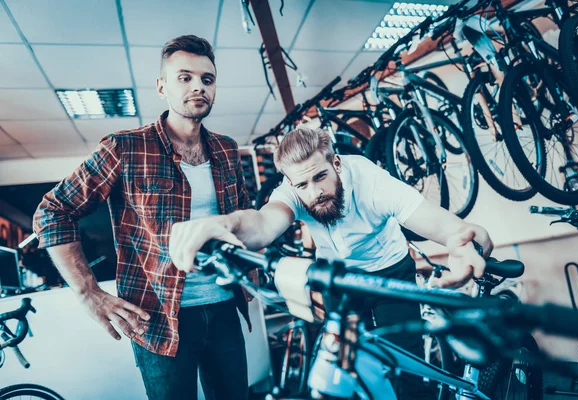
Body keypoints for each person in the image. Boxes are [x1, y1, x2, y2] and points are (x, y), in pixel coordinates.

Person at [169, 127, 494, 398]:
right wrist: (224, 224)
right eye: (302, 185)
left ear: (336, 163)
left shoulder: (372, 183)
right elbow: (263, 224)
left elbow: (436, 222)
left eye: (320, 177)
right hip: (340, 280)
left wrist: (459, 237)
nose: (315, 192)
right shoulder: (295, 189)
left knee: (403, 362)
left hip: (389, 273)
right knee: (346, 364)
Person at [33, 35, 251, 400]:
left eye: (207, 79)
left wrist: (255, 276)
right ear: (162, 86)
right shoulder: (126, 147)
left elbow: (242, 219)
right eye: (185, 77)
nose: (198, 86)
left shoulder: (228, 149)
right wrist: (89, 293)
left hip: (225, 307)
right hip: (157, 318)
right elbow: (53, 212)